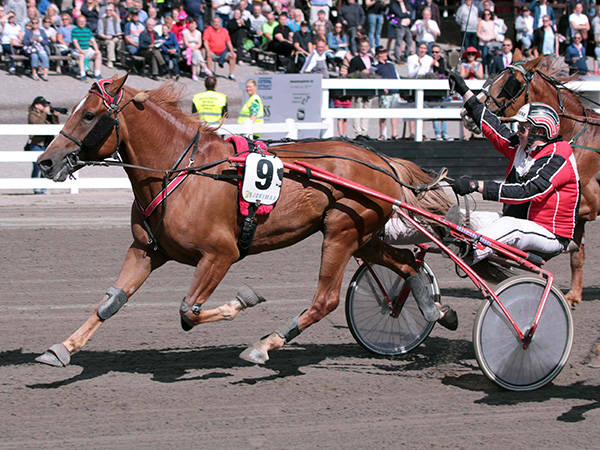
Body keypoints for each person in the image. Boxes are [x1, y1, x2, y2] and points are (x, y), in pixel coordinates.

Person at [449, 71, 580, 268]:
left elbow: (527, 192)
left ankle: (470, 251)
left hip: (550, 234)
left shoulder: (559, 155)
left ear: (539, 131)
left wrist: (477, 185)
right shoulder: (521, 146)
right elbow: (493, 127)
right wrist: (465, 92)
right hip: (519, 222)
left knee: (509, 226)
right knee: (463, 217)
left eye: (522, 128)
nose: (517, 132)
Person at [27, 96, 59, 194]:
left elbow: (55, 125)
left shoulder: (47, 115)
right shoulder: (32, 114)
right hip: (37, 144)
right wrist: (45, 113)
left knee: (46, 166)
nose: (45, 107)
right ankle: (36, 188)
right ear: (36, 105)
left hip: (47, 144)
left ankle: (44, 188)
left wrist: (54, 116)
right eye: (43, 105)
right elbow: (37, 123)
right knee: (37, 166)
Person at [348, 39, 376, 139]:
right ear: (360, 47)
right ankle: (358, 132)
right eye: (362, 46)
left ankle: (365, 131)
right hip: (358, 89)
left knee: (367, 110)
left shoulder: (371, 59)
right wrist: (360, 73)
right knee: (357, 109)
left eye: (366, 46)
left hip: (369, 89)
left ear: (368, 47)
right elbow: (350, 75)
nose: (364, 48)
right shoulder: (355, 60)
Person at [374, 46, 401, 140]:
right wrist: (382, 87)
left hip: (394, 92)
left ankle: (394, 133)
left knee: (395, 114)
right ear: (378, 55)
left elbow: (397, 77)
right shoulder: (375, 66)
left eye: (385, 52)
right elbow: (374, 78)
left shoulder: (391, 65)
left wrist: (399, 90)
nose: (385, 54)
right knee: (383, 114)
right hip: (385, 93)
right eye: (382, 53)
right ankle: (382, 133)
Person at [72, 14, 102, 80]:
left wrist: (97, 50)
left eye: (83, 21)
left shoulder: (88, 31)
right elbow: (75, 42)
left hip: (87, 49)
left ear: (85, 22)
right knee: (81, 56)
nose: (82, 23)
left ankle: (97, 73)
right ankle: (83, 74)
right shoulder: (74, 30)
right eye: (80, 21)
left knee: (98, 54)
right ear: (77, 22)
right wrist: (80, 50)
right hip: (77, 50)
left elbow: (93, 41)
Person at [430, 43, 451, 140]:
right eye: (433, 52)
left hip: (444, 90)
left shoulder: (443, 61)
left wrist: (438, 66)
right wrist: (431, 65)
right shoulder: (429, 61)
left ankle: (444, 133)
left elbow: (444, 73)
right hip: (434, 92)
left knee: (445, 112)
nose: (435, 54)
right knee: (436, 112)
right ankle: (438, 133)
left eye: (437, 52)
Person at [97, 2, 122, 68]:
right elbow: (100, 33)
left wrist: (118, 35)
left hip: (114, 37)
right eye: (107, 10)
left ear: (113, 11)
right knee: (111, 43)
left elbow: (119, 30)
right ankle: (110, 61)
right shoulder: (101, 20)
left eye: (110, 10)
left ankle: (122, 60)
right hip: (105, 38)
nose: (108, 12)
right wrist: (107, 37)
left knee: (121, 42)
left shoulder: (115, 20)